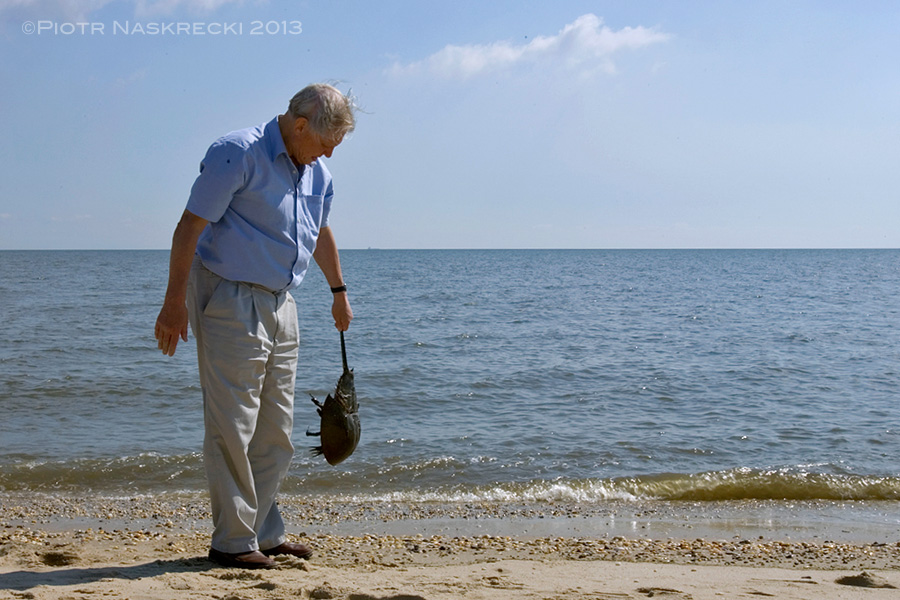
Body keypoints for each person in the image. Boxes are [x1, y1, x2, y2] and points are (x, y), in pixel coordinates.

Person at [154, 83, 356, 569]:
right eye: (327, 141)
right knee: (232, 425)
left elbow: (319, 230)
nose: (330, 152)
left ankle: (263, 532)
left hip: (283, 302)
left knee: (276, 431)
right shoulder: (236, 153)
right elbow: (189, 227)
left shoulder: (318, 171)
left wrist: (338, 291)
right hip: (228, 294)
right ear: (301, 124)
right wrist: (173, 302)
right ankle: (231, 542)